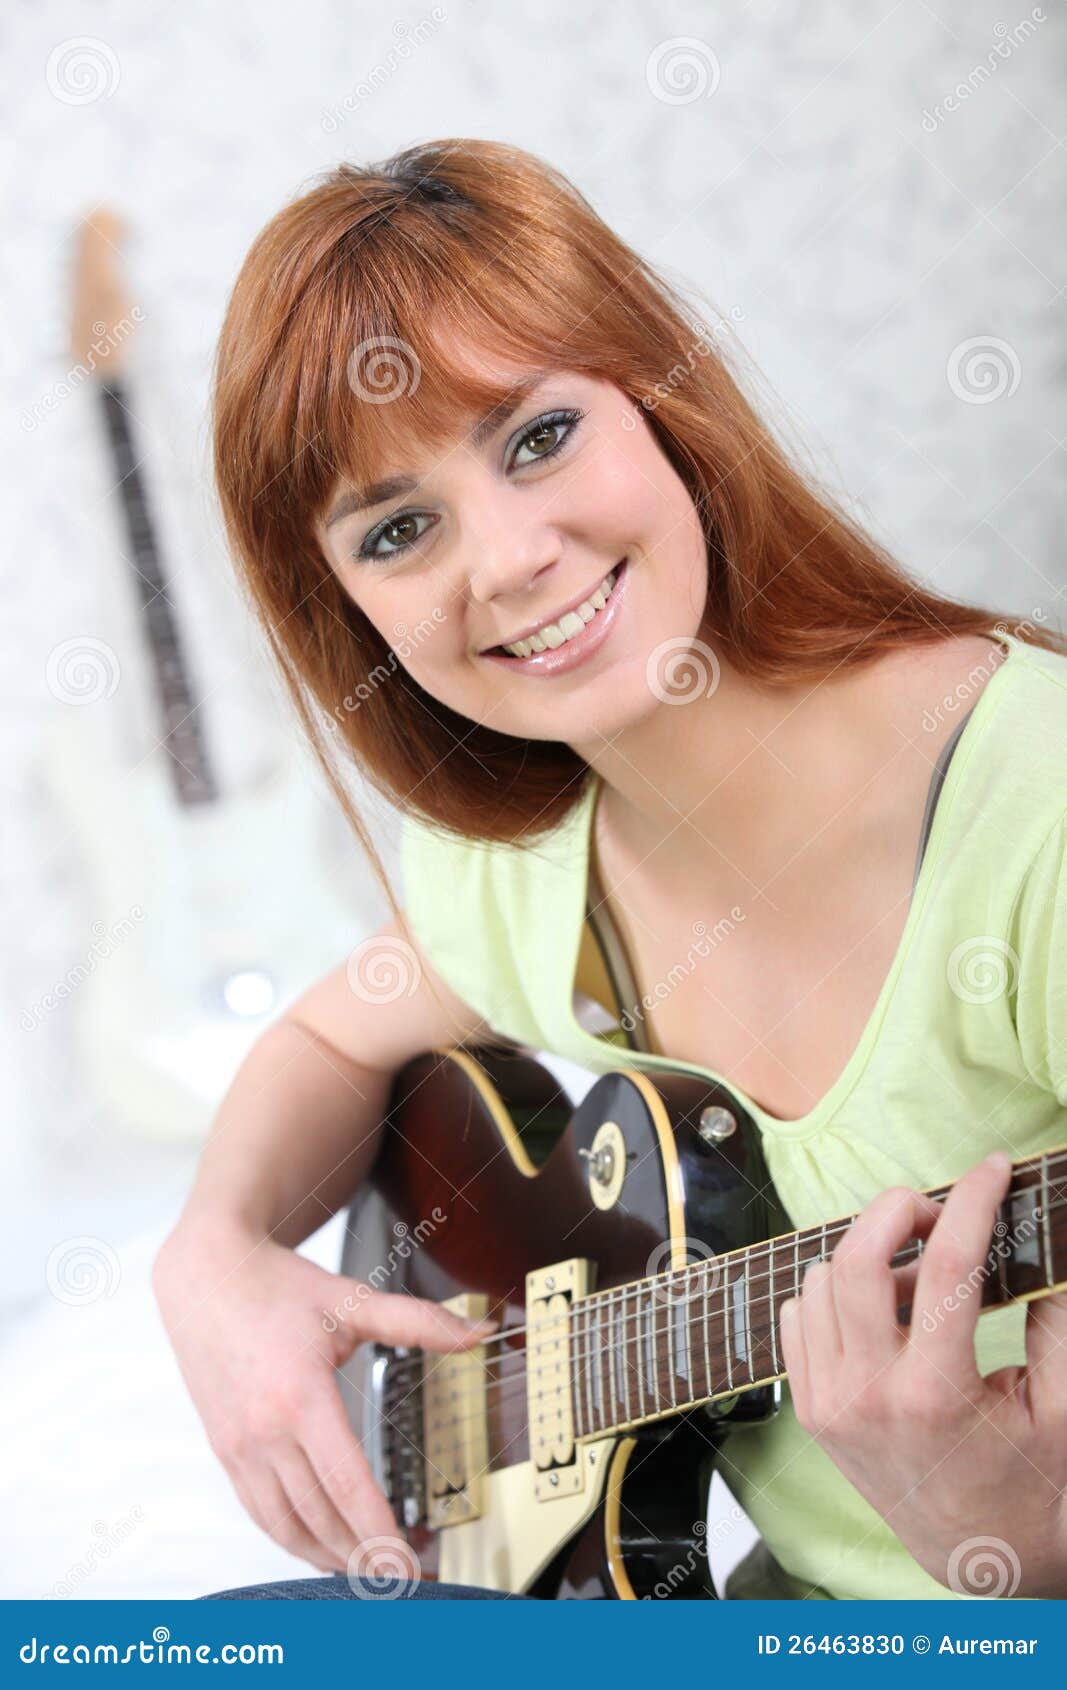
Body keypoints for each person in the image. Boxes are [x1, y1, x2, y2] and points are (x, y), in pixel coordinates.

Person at [153, 138, 1067, 1602]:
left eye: (536, 437)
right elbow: (333, 1029)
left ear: (663, 398)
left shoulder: (1041, 824)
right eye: (399, 530)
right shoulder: (522, 857)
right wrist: (210, 1252)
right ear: (354, 619)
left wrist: (1025, 1553)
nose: (510, 560)